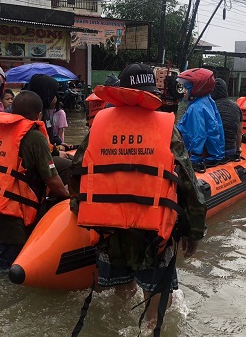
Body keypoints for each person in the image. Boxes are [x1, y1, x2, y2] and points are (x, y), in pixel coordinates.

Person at [68, 63, 206, 330]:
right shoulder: (167, 128)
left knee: (120, 296)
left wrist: (80, 207)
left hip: (110, 230)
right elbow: (189, 185)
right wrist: (194, 232)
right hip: (153, 231)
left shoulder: (99, 125)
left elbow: (76, 172)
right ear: (152, 94)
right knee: (154, 307)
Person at [0, 90, 69, 273]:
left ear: (11, 110)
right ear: (39, 115)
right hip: (7, 221)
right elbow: (52, 180)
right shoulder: (34, 137)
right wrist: (69, 199)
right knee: (3, 280)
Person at [176, 68, 224, 173]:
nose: (184, 91)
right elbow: (217, 127)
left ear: (196, 89)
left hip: (197, 157)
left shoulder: (195, 108)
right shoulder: (208, 101)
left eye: (186, 88)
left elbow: (199, 135)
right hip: (212, 154)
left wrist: (194, 159)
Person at [27, 74, 72, 183]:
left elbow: (48, 135)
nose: (54, 97)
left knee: (73, 159)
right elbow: (38, 143)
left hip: (48, 151)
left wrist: (58, 144)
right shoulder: (31, 112)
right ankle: (57, 196)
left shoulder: (44, 111)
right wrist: (56, 153)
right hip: (37, 158)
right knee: (70, 166)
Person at [211, 78, 243, 159]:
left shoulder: (210, 106)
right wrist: (238, 150)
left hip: (214, 152)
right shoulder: (236, 107)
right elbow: (239, 132)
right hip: (231, 150)